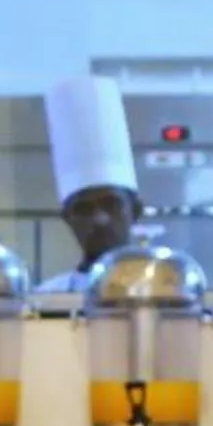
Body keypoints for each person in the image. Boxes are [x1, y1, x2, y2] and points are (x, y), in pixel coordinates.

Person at [38, 73, 141, 292]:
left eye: (111, 204)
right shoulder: (49, 298)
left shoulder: (168, 295)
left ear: (136, 210)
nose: (100, 219)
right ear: (67, 219)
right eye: (83, 209)